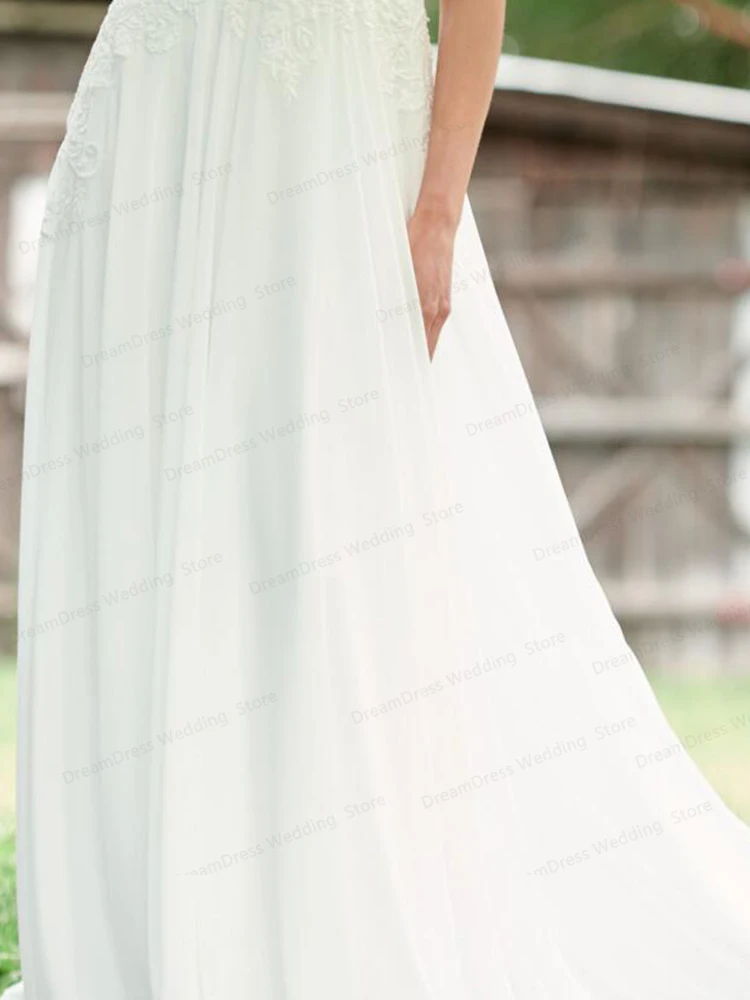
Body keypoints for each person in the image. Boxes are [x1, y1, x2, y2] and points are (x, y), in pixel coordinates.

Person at [12, 1, 750, 997]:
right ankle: (147, 934)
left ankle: (302, 931)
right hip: (151, 119)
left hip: (329, 135)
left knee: (326, 531)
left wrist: (439, 204)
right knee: (142, 535)